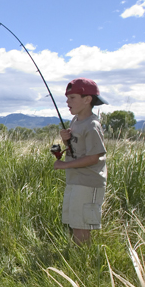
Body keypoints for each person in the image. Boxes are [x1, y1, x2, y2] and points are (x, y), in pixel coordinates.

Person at [53, 78, 107, 245]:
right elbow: (78, 150)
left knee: (81, 226)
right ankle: (78, 258)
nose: (67, 102)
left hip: (88, 182)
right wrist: (65, 140)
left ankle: (83, 262)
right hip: (75, 180)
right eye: (67, 98)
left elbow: (93, 157)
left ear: (87, 99)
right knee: (75, 222)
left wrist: (64, 165)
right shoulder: (76, 121)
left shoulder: (92, 126)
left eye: (72, 98)